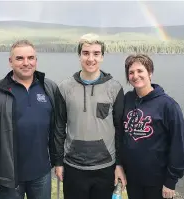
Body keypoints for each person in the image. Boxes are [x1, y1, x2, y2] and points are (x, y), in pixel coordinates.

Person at [0, 40, 59, 199]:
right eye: (19, 58)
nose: (26, 63)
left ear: (36, 61)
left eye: (31, 58)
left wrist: (58, 161)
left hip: (41, 175)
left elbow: (57, 129)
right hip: (7, 179)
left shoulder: (49, 88)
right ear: (10, 62)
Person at [54, 33, 127, 199]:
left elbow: (120, 130)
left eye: (96, 53)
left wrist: (119, 164)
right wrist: (58, 162)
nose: (90, 58)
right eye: (86, 53)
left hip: (106, 167)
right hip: (73, 166)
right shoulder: (65, 88)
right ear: (79, 55)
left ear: (102, 57)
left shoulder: (114, 88)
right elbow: (59, 128)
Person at [121, 54, 184, 199]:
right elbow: (121, 136)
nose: (135, 76)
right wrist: (119, 165)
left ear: (150, 73)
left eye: (140, 71)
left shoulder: (168, 105)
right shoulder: (126, 100)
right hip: (133, 180)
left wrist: (171, 181)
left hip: (157, 182)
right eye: (131, 72)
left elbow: (179, 145)